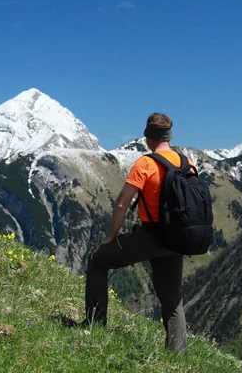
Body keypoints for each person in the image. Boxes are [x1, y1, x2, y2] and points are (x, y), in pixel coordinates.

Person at [83, 112, 190, 354]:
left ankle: (95, 323)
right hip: (177, 239)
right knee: (172, 299)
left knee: (98, 260)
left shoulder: (146, 163)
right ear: (169, 136)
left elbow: (122, 203)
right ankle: (179, 356)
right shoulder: (187, 163)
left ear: (147, 137)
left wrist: (111, 238)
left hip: (150, 236)